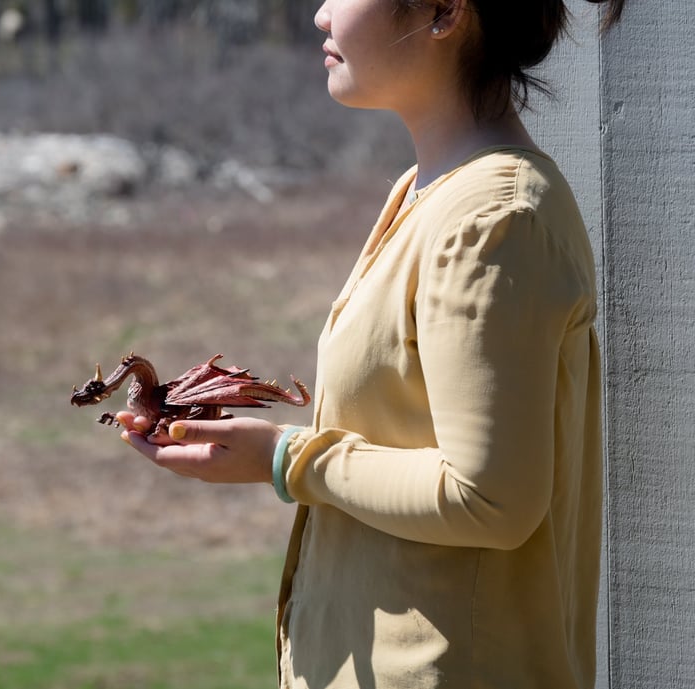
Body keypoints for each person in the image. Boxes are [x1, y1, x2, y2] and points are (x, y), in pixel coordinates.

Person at [117, 0, 625, 687]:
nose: (322, 15)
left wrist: (283, 457)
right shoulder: (425, 192)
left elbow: (491, 499)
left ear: (445, 12)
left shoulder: (496, 218)